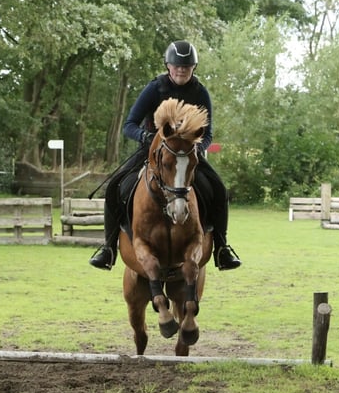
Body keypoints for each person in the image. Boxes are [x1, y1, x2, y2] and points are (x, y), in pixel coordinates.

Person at [89, 39, 242, 271]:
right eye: (177, 66)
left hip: (188, 156)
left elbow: (208, 133)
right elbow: (129, 125)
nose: (181, 70)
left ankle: (222, 247)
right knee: (115, 186)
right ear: (168, 66)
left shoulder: (200, 93)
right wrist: (146, 137)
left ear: (193, 68)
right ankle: (108, 248)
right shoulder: (155, 88)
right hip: (153, 153)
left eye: (187, 66)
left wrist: (196, 149)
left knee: (218, 189)